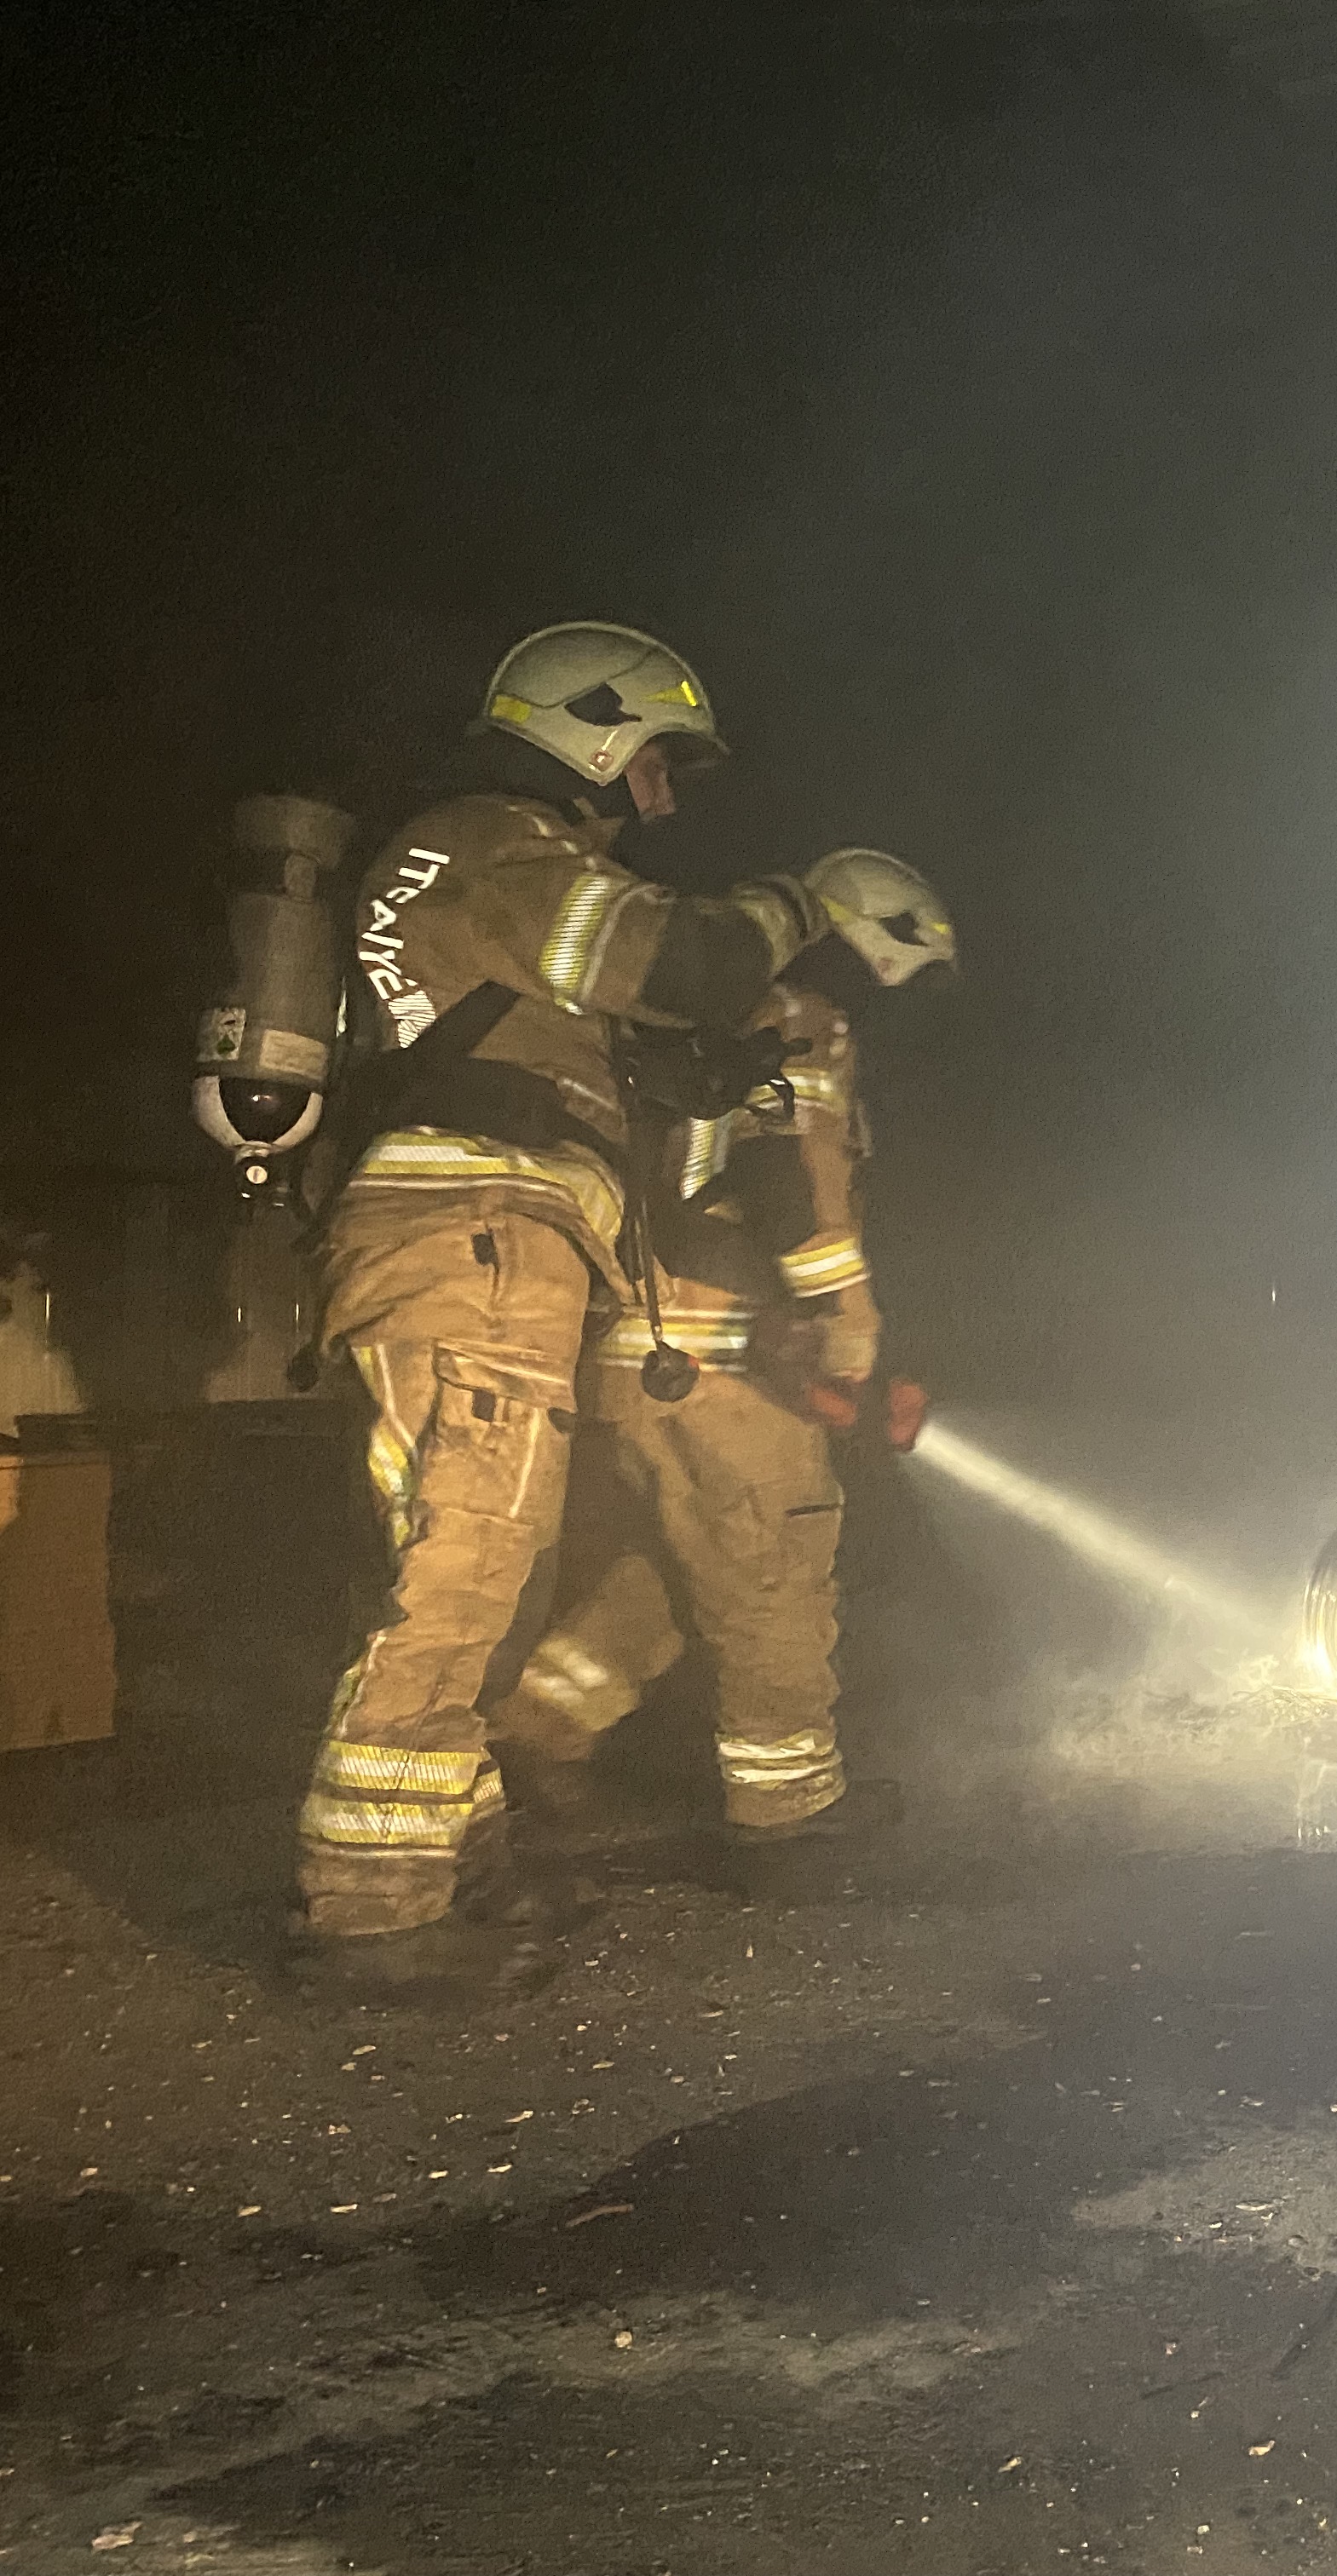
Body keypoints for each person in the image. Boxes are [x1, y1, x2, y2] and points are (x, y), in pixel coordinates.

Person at [291, 621, 904, 1998]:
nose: (662, 794)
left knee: (487, 1561)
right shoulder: (496, 840)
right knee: (464, 1560)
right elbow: (674, 960)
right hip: (475, 1229)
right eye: (655, 760)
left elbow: (653, 1064)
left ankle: (459, 1860)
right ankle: (370, 1913)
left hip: (501, 1235)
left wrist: (730, 1058)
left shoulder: (489, 873)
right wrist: (804, 902)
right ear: (595, 729)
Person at [483, 854, 955, 1895]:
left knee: (673, 1570)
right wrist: (844, 1314)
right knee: (773, 1569)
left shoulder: (675, 1019)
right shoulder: (799, 1022)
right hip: (731, 1348)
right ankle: (791, 1814)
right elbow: (797, 1177)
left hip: (641, 1353)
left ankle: (535, 1728)